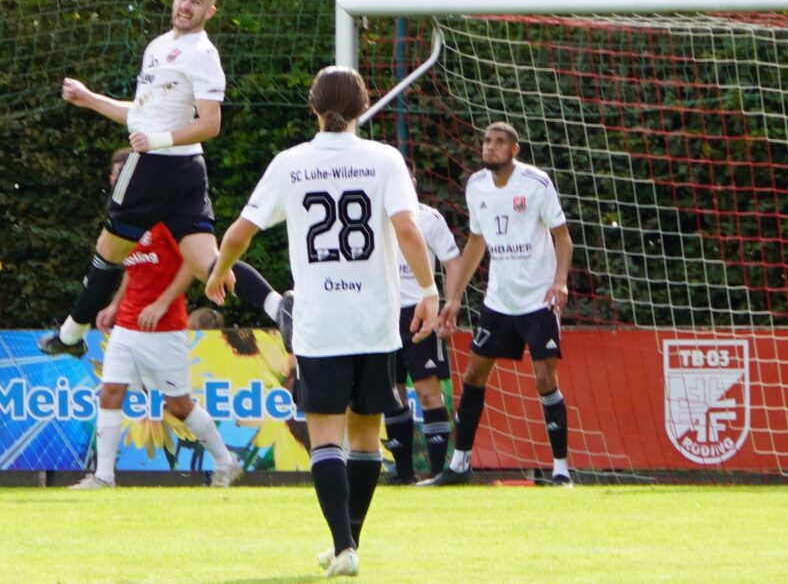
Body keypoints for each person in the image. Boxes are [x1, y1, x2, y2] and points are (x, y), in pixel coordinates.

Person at [205, 66, 439, 578]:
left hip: (319, 323)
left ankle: (343, 546)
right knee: (364, 437)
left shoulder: (292, 163)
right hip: (375, 320)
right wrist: (428, 290)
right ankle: (348, 544)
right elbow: (406, 228)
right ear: (362, 106)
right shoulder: (384, 159)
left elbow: (241, 231)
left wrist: (220, 272)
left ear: (313, 107)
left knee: (326, 437)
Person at [39, 0, 283, 358]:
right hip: (185, 170)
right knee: (209, 263)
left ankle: (70, 335)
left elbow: (210, 123)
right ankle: (279, 307)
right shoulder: (157, 46)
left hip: (157, 165)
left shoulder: (202, 53)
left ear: (210, 11)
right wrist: (90, 98)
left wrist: (157, 141)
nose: (186, 6)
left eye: (196, 2)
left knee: (108, 249)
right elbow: (142, 115)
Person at [70, 149, 242, 490]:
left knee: (178, 405)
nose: (119, 179)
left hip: (165, 326)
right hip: (128, 325)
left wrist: (162, 303)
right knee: (110, 392)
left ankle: (226, 461)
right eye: (115, 175)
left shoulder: (165, 215)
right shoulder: (124, 222)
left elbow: (189, 265)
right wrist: (115, 305)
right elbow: (130, 268)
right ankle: (104, 477)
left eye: (125, 173)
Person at [420, 122, 574, 487]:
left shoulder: (536, 184)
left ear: (514, 149)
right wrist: (454, 297)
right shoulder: (476, 186)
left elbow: (563, 238)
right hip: (498, 300)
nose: (490, 147)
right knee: (473, 375)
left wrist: (560, 281)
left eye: (499, 142)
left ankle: (561, 470)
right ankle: (460, 464)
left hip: (538, 299)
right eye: (487, 141)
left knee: (544, 379)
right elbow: (477, 242)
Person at [382, 187, 464, 484]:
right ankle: (403, 473)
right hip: (384, 315)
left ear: (412, 180)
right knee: (391, 395)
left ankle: (437, 472)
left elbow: (453, 262)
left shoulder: (428, 218)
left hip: (420, 314)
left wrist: (448, 305)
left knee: (429, 393)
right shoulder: (373, 215)